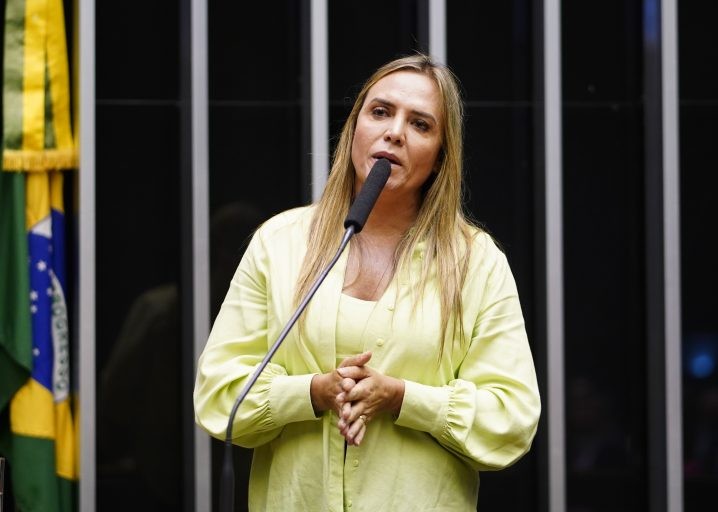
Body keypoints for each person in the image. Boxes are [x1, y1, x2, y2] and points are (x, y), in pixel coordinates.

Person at [193, 53, 541, 511]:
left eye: (420, 124)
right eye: (380, 112)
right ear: (355, 129)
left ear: (440, 156)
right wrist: (314, 392)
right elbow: (220, 398)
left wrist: (402, 398)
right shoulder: (280, 243)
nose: (394, 131)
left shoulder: (477, 262)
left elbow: (512, 419)